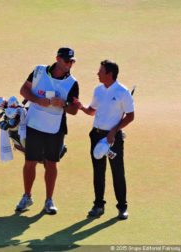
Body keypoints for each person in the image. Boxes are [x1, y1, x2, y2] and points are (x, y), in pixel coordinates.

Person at [15, 47, 79, 214]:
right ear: (58, 59)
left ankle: (49, 200)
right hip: (34, 124)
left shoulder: (73, 82)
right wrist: (37, 100)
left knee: (51, 163)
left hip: (55, 128)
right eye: (67, 61)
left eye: (72, 61)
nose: (70, 64)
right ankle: (27, 196)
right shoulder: (38, 71)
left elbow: (74, 110)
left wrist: (63, 105)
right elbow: (24, 90)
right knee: (30, 162)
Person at [74, 60, 134, 219]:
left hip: (113, 139)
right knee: (98, 172)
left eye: (100, 71)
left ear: (109, 74)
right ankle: (98, 205)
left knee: (117, 172)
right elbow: (91, 111)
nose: (97, 73)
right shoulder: (98, 90)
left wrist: (114, 131)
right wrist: (81, 107)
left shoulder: (123, 92)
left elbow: (130, 116)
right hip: (96, 135)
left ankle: (122, 207)